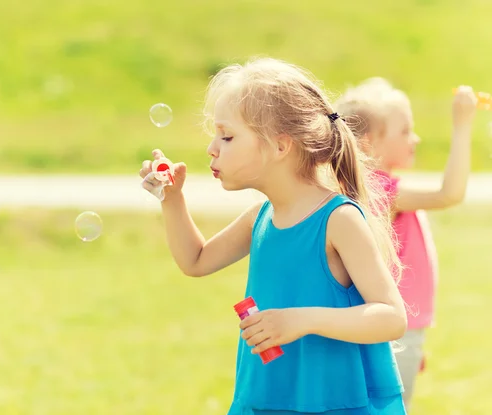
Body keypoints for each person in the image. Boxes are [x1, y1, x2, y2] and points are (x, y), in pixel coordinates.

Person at [140, 57, 408, 414]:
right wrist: (172, 201)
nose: (212, 148)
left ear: (281, 146)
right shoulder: (260, 218)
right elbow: (196, 260)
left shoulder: (337, 220)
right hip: (267, 397)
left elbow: (391, 317)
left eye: (228, 136)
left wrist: (302, 319)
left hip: (331, 402)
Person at [334, 78, 477, 411]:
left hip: (401, 329)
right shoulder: (380, 191)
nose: (415, 138)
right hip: (398, 329)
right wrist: (462, 125)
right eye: (404, 131)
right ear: (369, 144)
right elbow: (449, 194)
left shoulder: (374, 189)